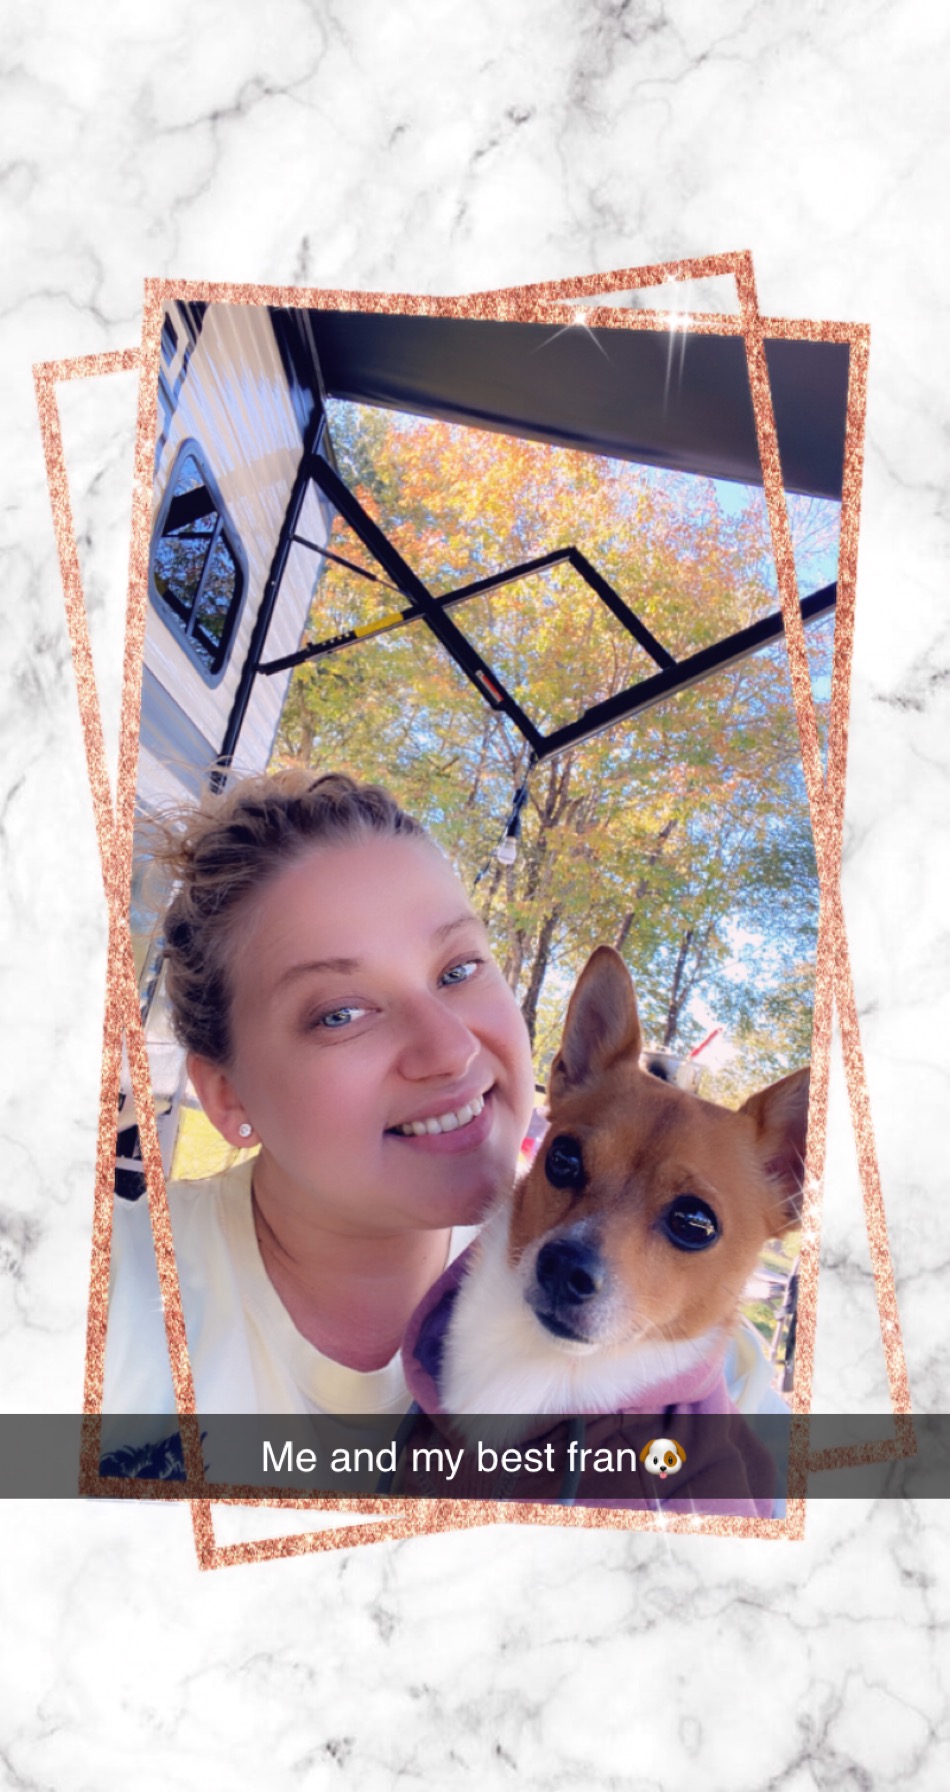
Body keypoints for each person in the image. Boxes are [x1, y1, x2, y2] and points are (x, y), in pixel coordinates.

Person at [102, 769, 537, 1437]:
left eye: (458, 970)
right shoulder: (105, 1295)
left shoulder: (638, 1305)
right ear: (227, 1096)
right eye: (340, 1014)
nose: (451, 1049)